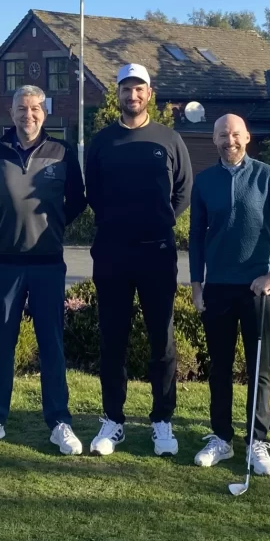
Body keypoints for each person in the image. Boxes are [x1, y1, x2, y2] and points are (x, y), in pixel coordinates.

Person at [0, 85, 87, 454]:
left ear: (44, 113)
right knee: (3, 342)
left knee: (52, 344)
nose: (28, 114)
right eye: (22, 108)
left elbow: (77, 200)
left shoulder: (62, 152)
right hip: (6, 262)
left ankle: (59, 422)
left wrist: (53, 225)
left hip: (48, 263)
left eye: (35, 108)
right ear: (12, 112)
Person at [189, 113, 270, 475]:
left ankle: (257, 441)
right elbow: (196, 238)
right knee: (220, 367)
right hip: (217, 288)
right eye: (223, 135)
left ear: (247, 137)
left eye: (236, 134)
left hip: (256, 288)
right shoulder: (204, 182)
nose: (230, 141)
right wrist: (196, 285)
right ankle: (221, 438)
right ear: (214, 140)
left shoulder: (267, 176)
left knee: (259, 369)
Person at [84, 63, 193, 456]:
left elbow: (183, 191)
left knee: (161, 339)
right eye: (126, 89)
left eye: (139, 89)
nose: (132, 95)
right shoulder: (101, 142)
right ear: (118, 94)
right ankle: (113, 420)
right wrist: (120, 224)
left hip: (157, 253)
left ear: (150, 93)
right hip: (112, 252)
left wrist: (158, 222)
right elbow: (93, 193)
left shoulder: (170, 139)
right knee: (112, 338)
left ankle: (162, 420)